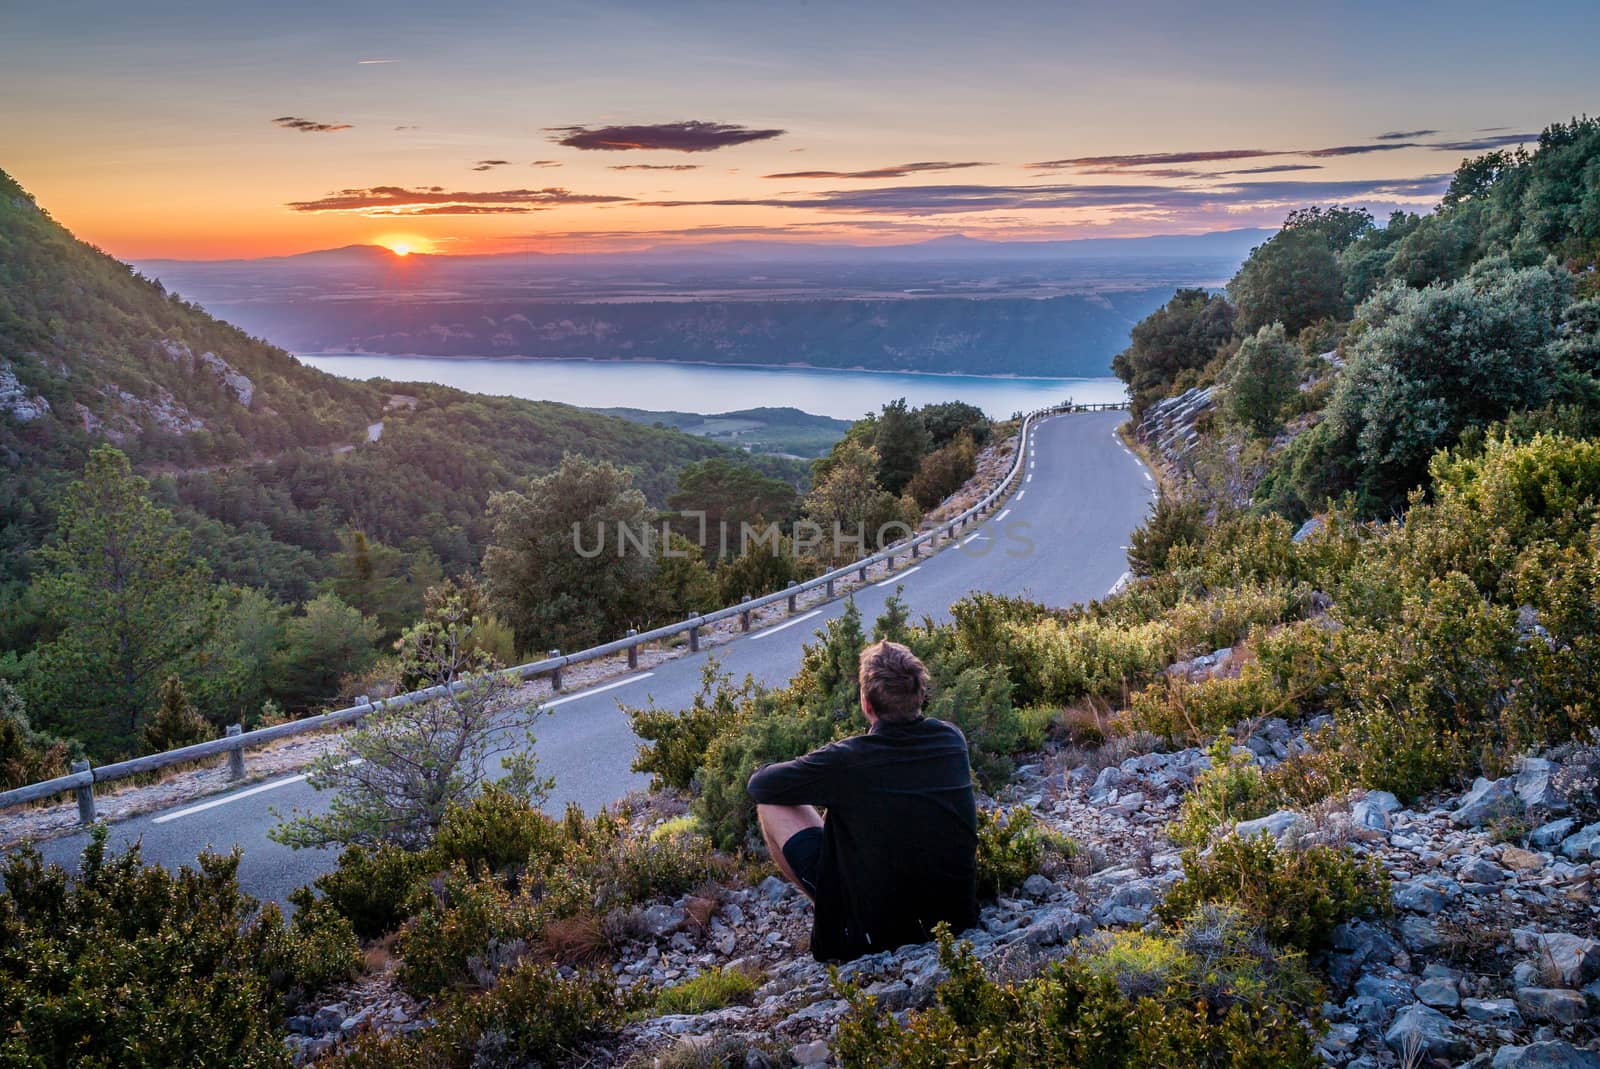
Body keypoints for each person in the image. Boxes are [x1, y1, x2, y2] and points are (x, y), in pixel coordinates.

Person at [746, 639, 979, 962]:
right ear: (920, 695)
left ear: (867, 705)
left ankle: (831, 912)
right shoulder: (952, 740)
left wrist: (824, 767)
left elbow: (761, 785)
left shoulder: (848, 760)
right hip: (957, 920)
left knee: (773, 804)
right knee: (855, 804)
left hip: (875, 937)